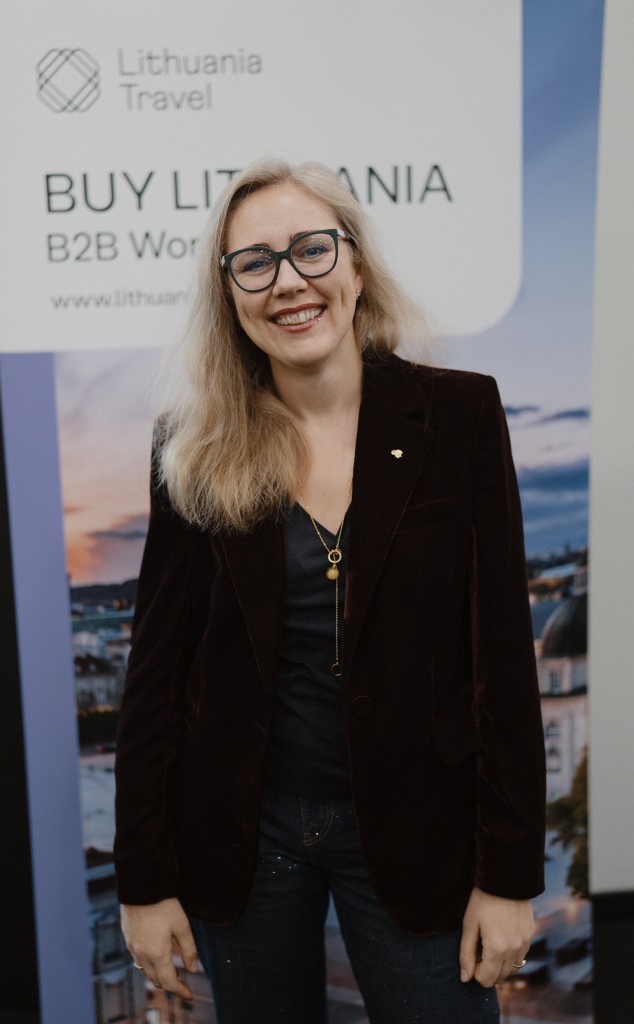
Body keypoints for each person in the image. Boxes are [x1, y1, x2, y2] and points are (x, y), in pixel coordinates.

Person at [114, 158, 546, 1023]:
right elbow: (156, 676)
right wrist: (144, 884)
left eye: (311, 249)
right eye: (254, 263)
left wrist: (508, 877)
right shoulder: (191, 445)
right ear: (228, 293)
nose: (288, 282)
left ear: (354, 261)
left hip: (420, 827)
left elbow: (500, 653)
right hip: (247, 832)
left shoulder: (458, 415)